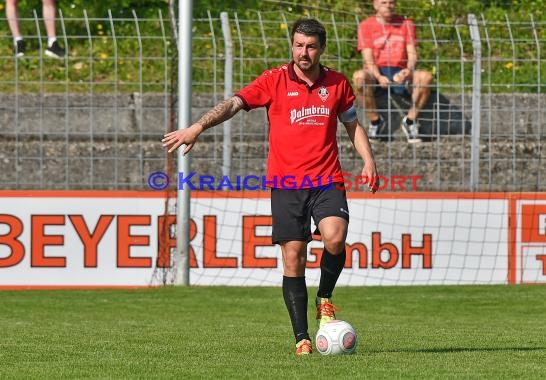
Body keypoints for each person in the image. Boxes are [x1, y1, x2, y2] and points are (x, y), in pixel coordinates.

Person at [162, 18, 378, 356]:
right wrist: (198, 126)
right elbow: (233, 104)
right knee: (294, 259)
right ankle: (302, 338)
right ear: (292, 46)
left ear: (321, 48)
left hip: (326, 180)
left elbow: (352, 124)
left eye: (310, 46)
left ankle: (324, 299)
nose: (303, 53)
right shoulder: (274, 80)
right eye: (298, 45)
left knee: (335, 237)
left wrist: (368, 160)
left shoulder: (336, 83)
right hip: (286, 184)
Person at [353, 0, 432, 143]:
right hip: (375, 70)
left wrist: (408, 70)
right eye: (384, 2)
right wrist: (379, 76)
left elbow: (412, 52)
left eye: (392, 2)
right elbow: (367, 57)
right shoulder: (366, 26)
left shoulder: (407, 24)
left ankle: (410, 121)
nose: (388, 5)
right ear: (375, 4)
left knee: (426, 77)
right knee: (359, 78)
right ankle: (376, 122)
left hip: (400, 70)